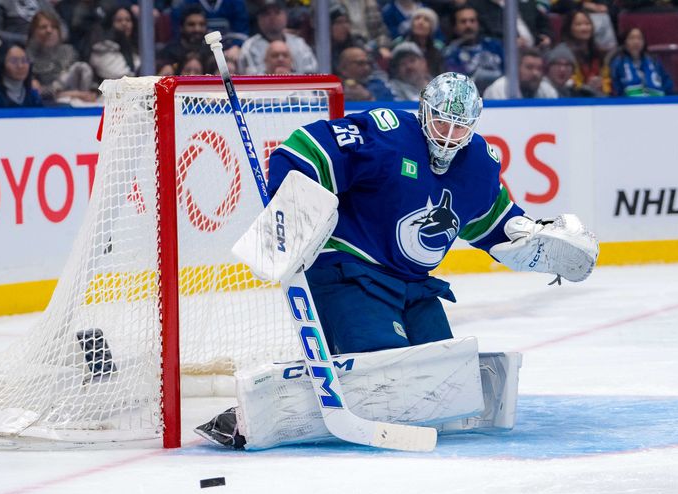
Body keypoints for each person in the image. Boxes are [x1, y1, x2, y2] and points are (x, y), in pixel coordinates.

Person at [196, 72, 599, 449]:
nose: (450, 135)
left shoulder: (477, 161)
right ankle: (246, 417)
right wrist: (291, 208)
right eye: (442, 122)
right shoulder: (386, 133)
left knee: (442, 377)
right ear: (424, 110)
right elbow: (302, 149)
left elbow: (490, 220)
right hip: (350, 272)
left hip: (413, 286)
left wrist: (524, 236)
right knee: (386, 377)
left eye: (460, 126)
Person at [26, 10, 97, 106]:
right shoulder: (27, 56)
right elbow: (36, 93)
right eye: (43, 27)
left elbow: (86, 80)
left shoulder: (69, 51)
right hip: (49, 105)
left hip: (80, 100)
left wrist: (92, 92)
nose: (49, 30)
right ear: (33, 32)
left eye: (54, 27)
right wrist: (69, 94)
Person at [238, 0, 318, 75]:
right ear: (259, 19)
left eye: (277, 12)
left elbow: (312, 74)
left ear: (286, 15)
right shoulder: (249, 47)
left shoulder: (299, 44)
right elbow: (248, 79)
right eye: (267, 13)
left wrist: (289, 77)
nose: (272, 17)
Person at [443, 6, 505, 93]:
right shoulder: (451, 53)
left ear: (478, 24)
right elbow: (457, 86)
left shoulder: (495, 46)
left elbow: (508, 75)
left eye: (472, 21)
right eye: (463, 22)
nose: (468, 25)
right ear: (455, 27)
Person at [607, 27, 673, 96]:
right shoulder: (618, 63)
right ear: (625, 42)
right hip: (628, 105)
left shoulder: (654, 61)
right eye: (632, 38)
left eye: (639, 38)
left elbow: (667, 84)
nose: (636, 42)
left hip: (656, 103)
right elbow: (614, 89)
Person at [560, 9, 610, 96]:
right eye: (578, 24)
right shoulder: (564, 53)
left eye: (587, 24)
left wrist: (602, 85)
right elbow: (566, 81)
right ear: (569, 28)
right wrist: (587, 87)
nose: (584, 28)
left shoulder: (598, 52)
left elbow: (607, 79)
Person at [391, 7, 446, 77]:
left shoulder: (438, 47)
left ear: (432, 28)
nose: (420, 22)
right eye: (417, 18)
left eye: (426, 20)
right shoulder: (399, 43)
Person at [89, 6, 141, 81]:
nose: (124, 23)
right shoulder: (102, 48)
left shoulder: (139, 48)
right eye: (119, 20)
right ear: (110, 24)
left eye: (128, 20)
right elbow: (119, 74)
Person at [483, 47, 558, 98]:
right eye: (529, 67)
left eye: (539, 69)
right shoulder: (499, 89)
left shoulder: (547, 90)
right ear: (516, 69)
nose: (535, 73)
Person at [0, 42, 43, 108]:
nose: (20, 66)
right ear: (2, 64)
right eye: (14, 61)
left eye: (24, 60)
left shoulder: (33, 96)